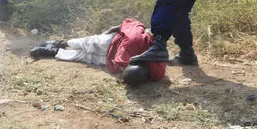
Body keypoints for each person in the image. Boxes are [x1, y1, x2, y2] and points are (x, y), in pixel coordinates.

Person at [29, 18, 166, 86]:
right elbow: (134, 25)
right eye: (124, 70)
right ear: (133, 61)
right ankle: (61, 43)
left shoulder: (156, 72)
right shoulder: (134, 40)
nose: (121, 72)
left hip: (109, 60)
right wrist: (116, 28)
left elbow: (136, 76)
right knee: (87, 43)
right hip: (113, 42)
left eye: (122, 71)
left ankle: (54, 52)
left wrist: (128, 78)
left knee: (85, 57)